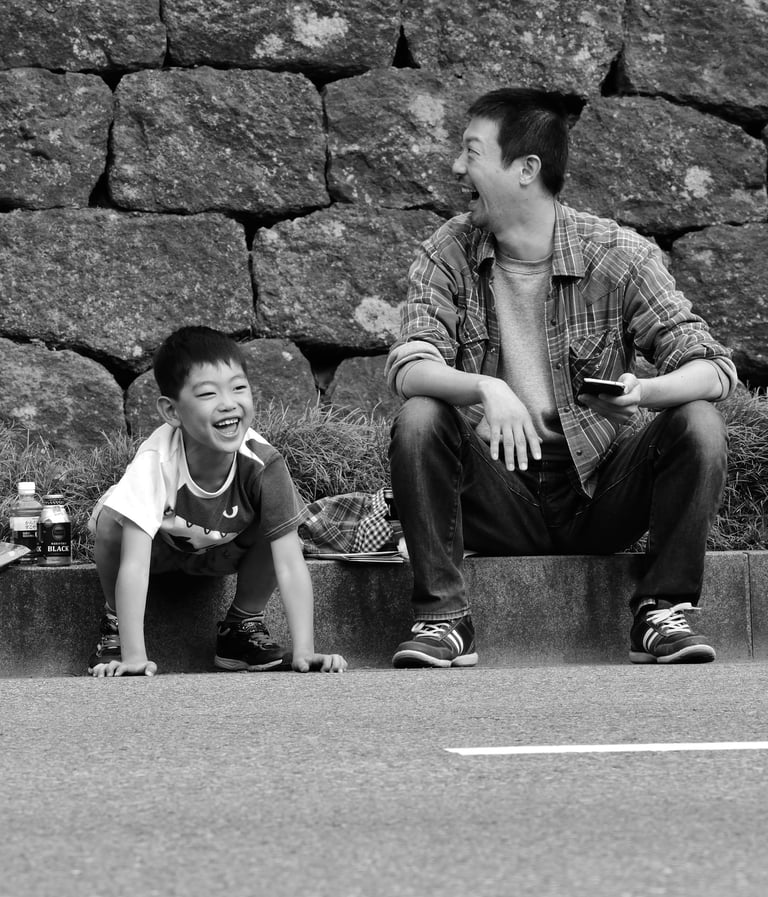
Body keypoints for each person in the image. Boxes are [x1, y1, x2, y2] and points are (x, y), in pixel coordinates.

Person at [385, 87, 737, 669]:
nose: (456, 167)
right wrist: (486, 388)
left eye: (471, 152)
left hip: (597, 492)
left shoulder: (618, 255)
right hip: (497, 490)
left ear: (526, 169)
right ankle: (442, 618)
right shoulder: (448, 248)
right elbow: (410, 364)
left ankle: (663, 609)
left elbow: (712, 366)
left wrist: (643, 393)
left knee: (699, 422)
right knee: (421, 416)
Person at [88, 325, 347, 677]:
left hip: (221, 548)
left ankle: (241, 626)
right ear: (172, 411)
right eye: (208, 394)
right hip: (157, 552)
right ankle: (116, 624)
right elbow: (134, 562)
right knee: (111, 521)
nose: (229, 403)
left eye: (239, 388)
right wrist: (135, 657)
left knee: (280, 524)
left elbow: (288, 560)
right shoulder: (156, 461)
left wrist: (306, 651)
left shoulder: (263, 463)